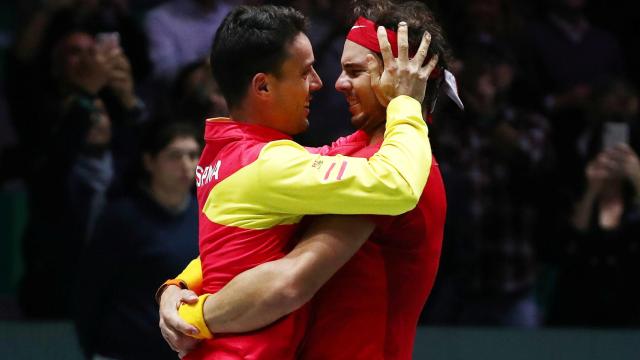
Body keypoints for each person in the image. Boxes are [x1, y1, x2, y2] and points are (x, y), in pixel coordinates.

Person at [159, 1, 459, 359]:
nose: (334, 82)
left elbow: (287, 280)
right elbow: (256, 236)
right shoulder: (353, 158)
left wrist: (191, 311)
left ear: (400, 80)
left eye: (354, 70)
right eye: (307, 72)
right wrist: (176, 287)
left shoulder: (395, 169)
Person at [73, 122, 201, 359]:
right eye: (174, 156)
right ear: (149, 161)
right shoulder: (121, 218)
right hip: (123, 351)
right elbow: (90, 290)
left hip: (189, 351)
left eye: (193, 155)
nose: (186, 165)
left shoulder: (207, 215)